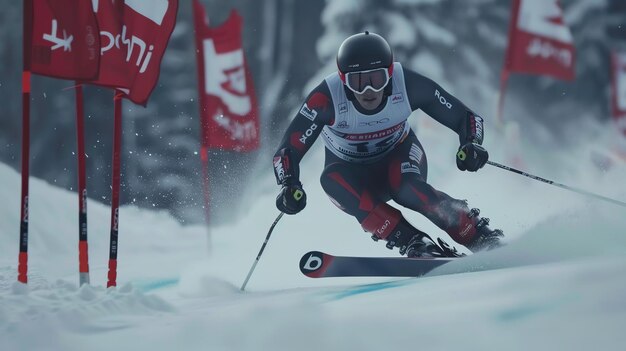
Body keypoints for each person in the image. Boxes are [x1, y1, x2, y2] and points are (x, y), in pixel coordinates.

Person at [272, 31, 503, 257]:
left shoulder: (408, 84)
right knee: (331, 180)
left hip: (400, 157)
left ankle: (477, 234)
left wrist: (471, 143)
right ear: (343, 80)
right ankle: (413, 242)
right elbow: (287, 151)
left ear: (390, 73)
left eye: (377, 79)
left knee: (406, 188)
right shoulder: (326, 98)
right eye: (358, 82)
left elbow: (467, 118)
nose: (369, 90)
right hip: (353, 177)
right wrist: (288, 184)